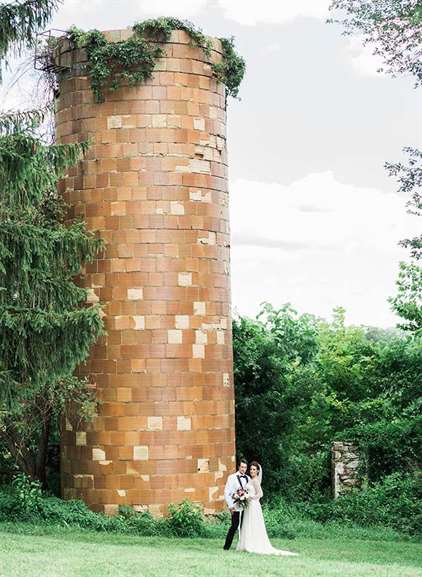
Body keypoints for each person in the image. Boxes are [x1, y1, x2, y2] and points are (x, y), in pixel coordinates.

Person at [237, 461, 298, 556]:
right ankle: (247, 543)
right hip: (249, 505)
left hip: (254, 505)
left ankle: (254, 544)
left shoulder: (255, 481)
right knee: (248, 523)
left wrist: (250, 497)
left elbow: (260, 494)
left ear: (257, 471)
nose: (252, 471)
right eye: (251, 469)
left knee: (254, 523)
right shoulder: (250, 480)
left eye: (254, 469)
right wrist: (243, 495)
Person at [223, 458, 250, 550]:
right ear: (239, 467)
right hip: (235, 506)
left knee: (244, 526)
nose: (243, 469)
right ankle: (226, 547)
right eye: (242, 467)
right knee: (234, 526)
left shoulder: (248, 478)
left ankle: (242, 546)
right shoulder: (232, 477)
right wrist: (230, 506)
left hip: (245, 507)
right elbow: (227, 492)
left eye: (245, 467)